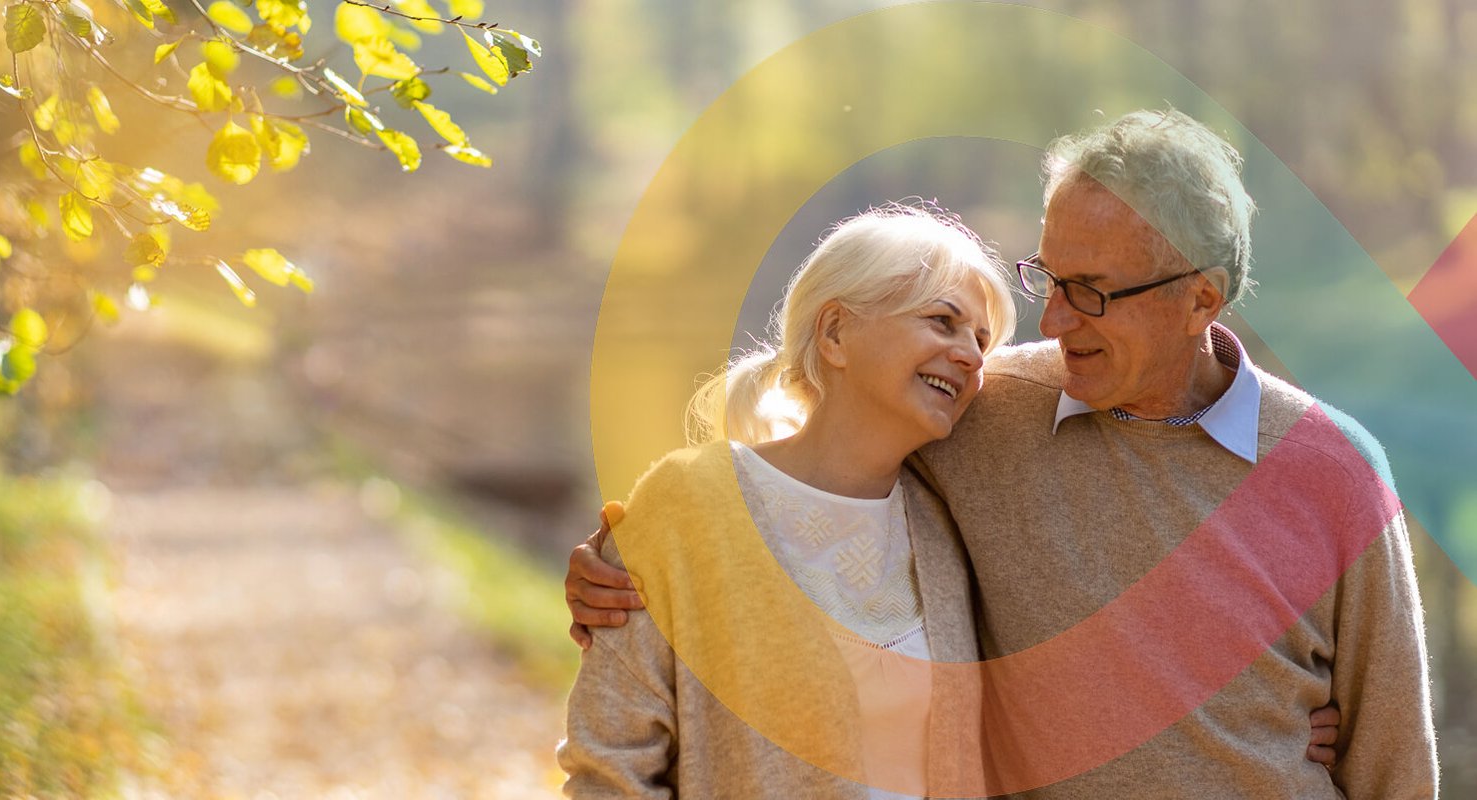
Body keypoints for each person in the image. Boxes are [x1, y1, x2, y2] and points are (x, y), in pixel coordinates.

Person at [564, 110, 1434, 796]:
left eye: (1089, 293)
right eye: (1047, 280)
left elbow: (1392, 760)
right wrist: (626, 565)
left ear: (1198, 299)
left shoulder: (1333, 472)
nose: (1051, 325)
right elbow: (813, 475)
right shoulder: (982, 409)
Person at [557, 202, 1017, 798]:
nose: (972, 357)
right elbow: (608, 768)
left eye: (982, 341)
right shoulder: (689, 503)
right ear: (834, 333)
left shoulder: (952, 530)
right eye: (942, 321)